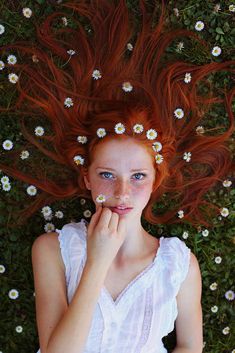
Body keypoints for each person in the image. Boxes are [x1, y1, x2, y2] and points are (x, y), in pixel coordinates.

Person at [0, 0, 234, 352]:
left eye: (138, 176)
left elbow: (190, 346)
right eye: (107, 174)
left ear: (155, 180)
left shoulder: (177, 264)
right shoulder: (54, 251)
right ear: (87, 179)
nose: (123, 192)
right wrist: (97, 262)